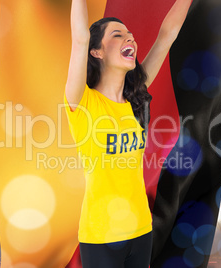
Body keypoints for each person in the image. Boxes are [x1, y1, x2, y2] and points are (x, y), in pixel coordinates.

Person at [64, 0, 192, 267]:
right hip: (100, 236)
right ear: (97, 52)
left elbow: (167, 35)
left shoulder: (137, 99)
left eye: (130, 36)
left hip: (141, 230)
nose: (130, 38)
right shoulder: (83, 102)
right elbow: (79, 39)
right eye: (118, 34)